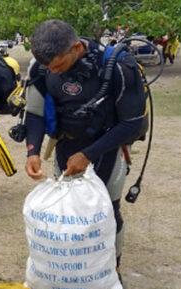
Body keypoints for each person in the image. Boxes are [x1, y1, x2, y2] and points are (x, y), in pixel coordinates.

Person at [23, 19, 148, 271]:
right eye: (50, 67)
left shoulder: (118, 67)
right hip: (66, 144)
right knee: (67, 210)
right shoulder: (42, 68)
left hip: (109, 146)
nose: (54, 72)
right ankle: (74, 264)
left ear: (77, 48)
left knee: (108, 210)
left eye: (59, 65)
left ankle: (113, 268)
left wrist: (88, 154)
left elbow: (133, 124)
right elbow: (35, 112)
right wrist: (33, 151)